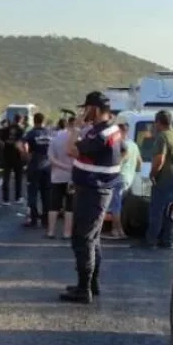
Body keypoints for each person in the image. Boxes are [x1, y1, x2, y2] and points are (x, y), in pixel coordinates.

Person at [59, 91, 122, 304]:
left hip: (92, 191)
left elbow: (70, 149)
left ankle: (83, 289)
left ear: (94, 109)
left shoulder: (99, 134)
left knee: (83, 239)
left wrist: (75, 127)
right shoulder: (110, 129)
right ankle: (90, 284)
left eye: (86, 108)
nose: (84, 112)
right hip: (97, 189)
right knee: (93, 239)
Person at [140, 110, 173, 249]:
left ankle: (151, 240)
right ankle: (167, 240)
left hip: (166, 177)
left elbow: (159, 159)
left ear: (158, 122)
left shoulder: (163, 137)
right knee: (171, 211)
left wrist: (152, 174)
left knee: (157, 210)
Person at [104, 115, 141, 240]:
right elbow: (139, 163)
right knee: (118, 204)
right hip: (129, 179)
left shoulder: (121, 144)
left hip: (119, 177)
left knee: (115, 206)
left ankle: (118, 231)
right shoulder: (134, 145)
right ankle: (116, 230)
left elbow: (118, 161)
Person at [46, 116, 76, 239]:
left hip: (57, 176)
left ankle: (51, 231)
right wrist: (69, 167)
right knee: (70, 206)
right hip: (72, 177)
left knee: (54, 205)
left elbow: (51, 158)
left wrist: (62, 166)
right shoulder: (78, 139)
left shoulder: (55, 138)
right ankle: (67, 233)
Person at [21, 112, 52, 227]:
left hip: (34, 165)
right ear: (43, 121)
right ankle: (46, 219)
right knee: (46, 194)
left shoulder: (31, 133)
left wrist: (25, 155)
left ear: (34, 121)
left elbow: (22, 144)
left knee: (32, 193)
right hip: (48, 165)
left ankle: (33, 219)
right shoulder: (50, 133)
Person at [0, 114, 26, 205]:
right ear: (20, 120)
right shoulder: (21, 130)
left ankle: (5, 199)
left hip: (7, 155)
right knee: (18, 178)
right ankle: (18, 197)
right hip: (17, 156)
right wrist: (23, 154)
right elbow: (20, 143)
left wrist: (4, 145)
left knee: (6, 177)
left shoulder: (6, 129)